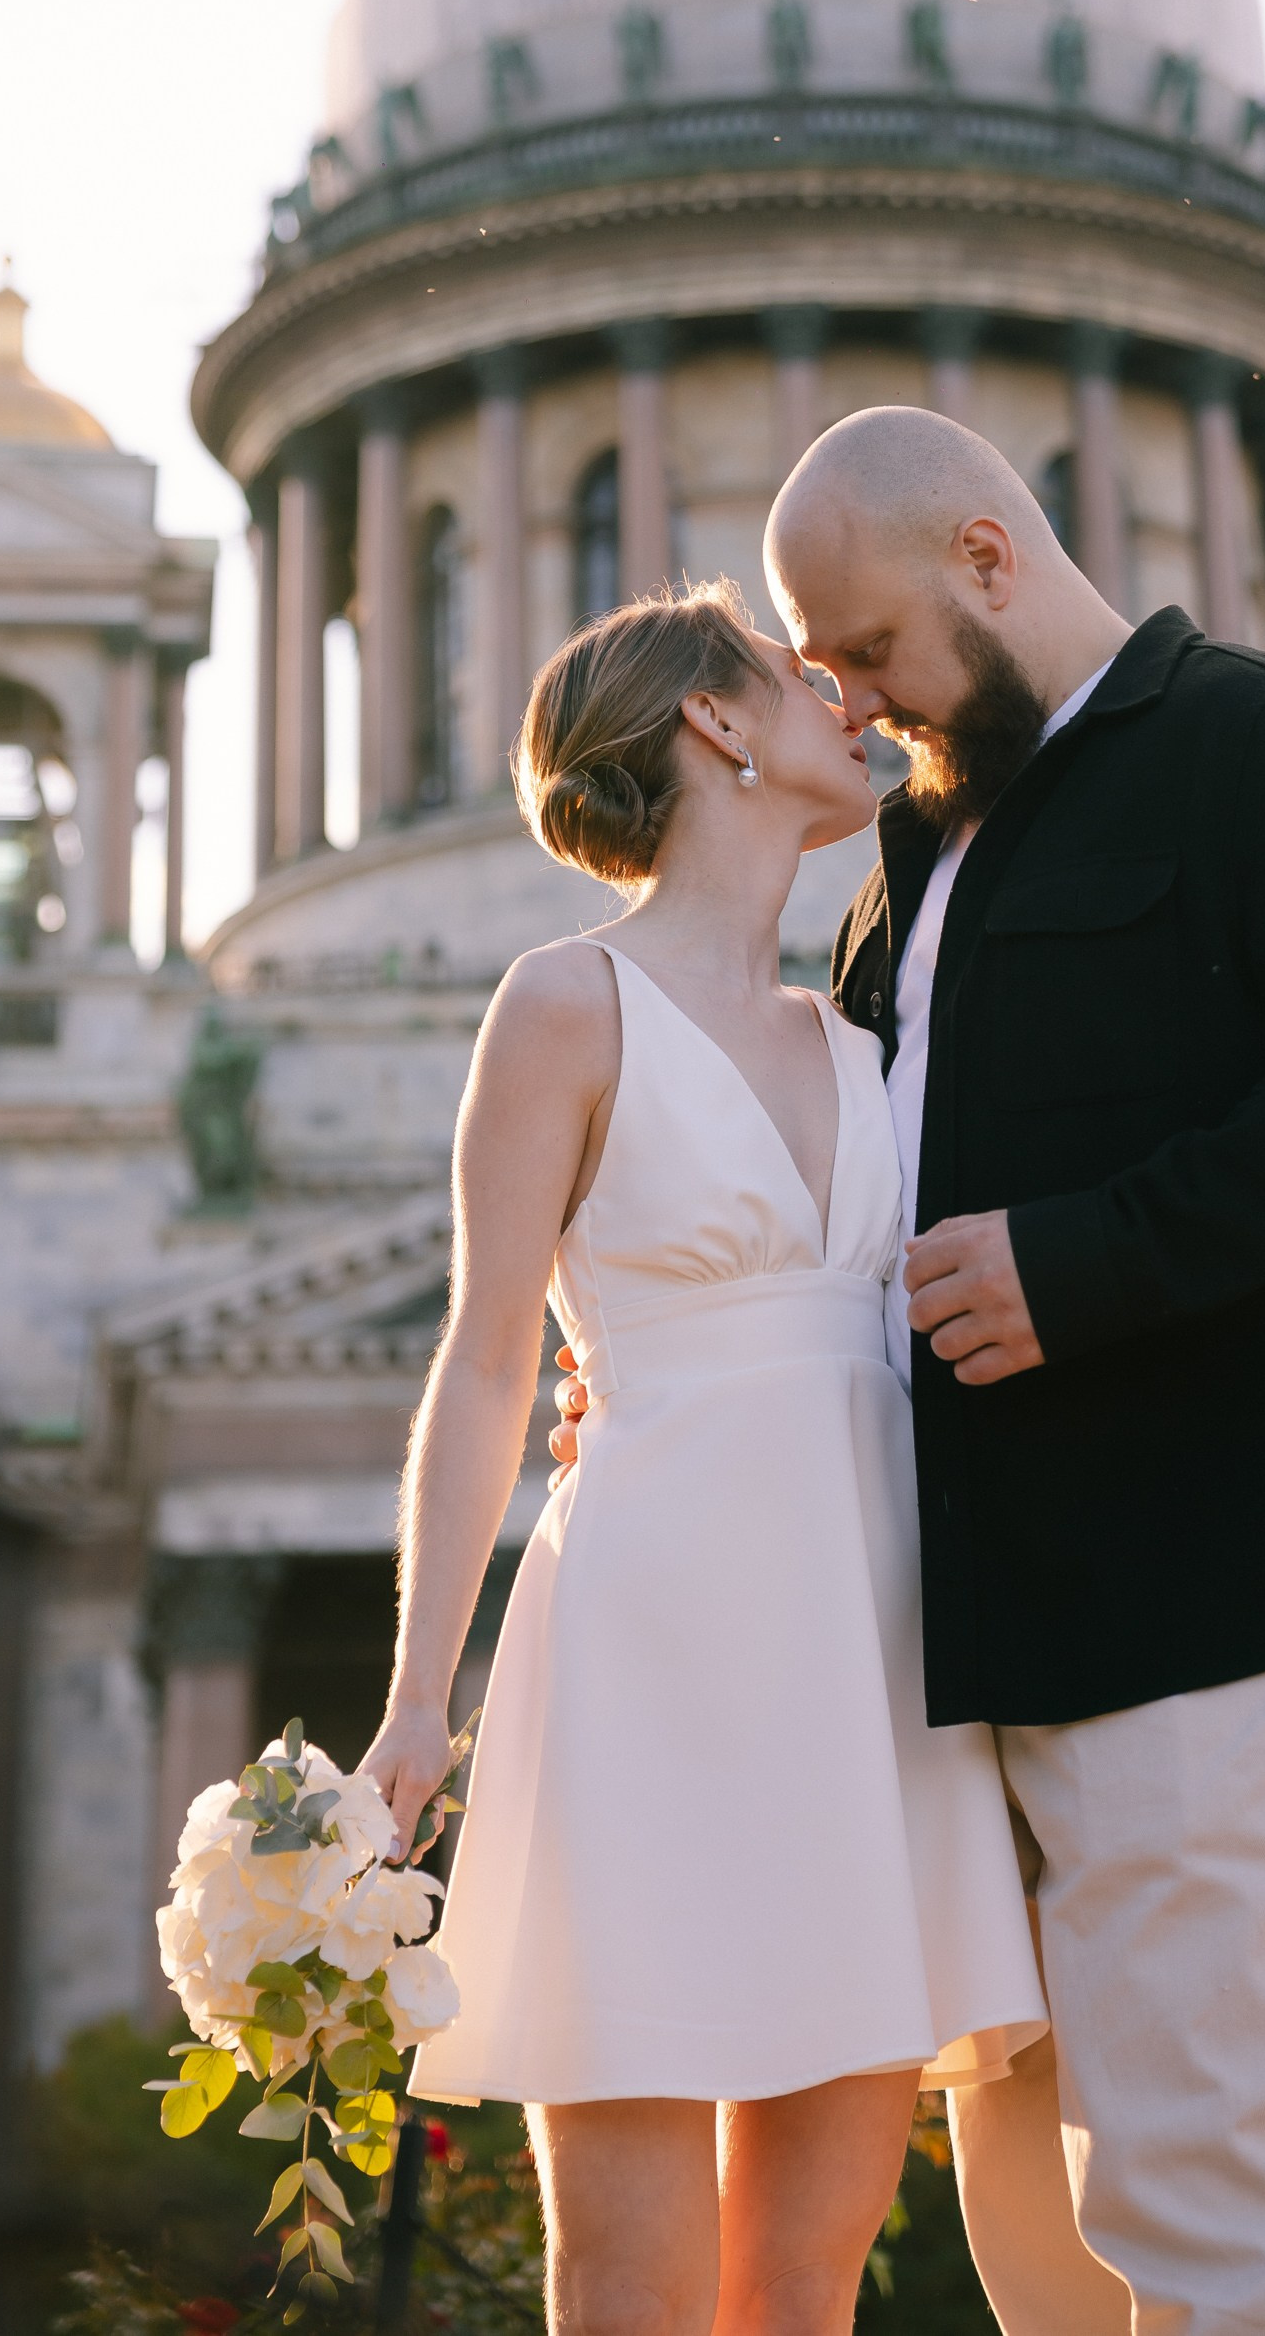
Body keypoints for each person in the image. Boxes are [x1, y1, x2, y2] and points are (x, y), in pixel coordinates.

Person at [756, 405, 1265, 2336]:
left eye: (867, 652)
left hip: (1230, 1610)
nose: (848, 705)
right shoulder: (919, 854)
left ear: (988, 560)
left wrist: (1086, 1263)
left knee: (1243, 2236)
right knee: (1055, 2272)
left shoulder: (1260, 743)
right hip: (997, 1641)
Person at [360, 584, 1044, 2336]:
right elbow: (490, 1359)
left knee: (803, 2284)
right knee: (635, 2283)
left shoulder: (868, 1039)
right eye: (794, 678)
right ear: (718, 730)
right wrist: (417, 1712)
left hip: (870, 1667)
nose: (851, 699)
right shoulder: (564, 1004)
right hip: (648, 1659)